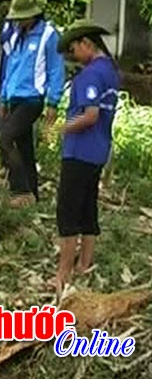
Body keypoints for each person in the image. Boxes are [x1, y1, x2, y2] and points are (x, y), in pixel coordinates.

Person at [53, 20, 119, 295]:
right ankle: (84, 263)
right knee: (87, 208)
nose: (72, 56)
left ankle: (63, 274)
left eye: (73, 49)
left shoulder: (90, 76)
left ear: (86, 44)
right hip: (98, 151)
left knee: (68, 210)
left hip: (80, 151)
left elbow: (90, 115)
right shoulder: (111, 72)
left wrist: (60, 128)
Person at [0, 0, 65, 208]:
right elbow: (11, 68)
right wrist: (4, 97)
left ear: (32, 15)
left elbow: (56, 69)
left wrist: (53, 102)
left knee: (6, 138)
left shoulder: (48, 34)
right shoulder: (17, 35)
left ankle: (20, 189)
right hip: (15, 97)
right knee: (24, 146)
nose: (18, 22)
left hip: (33, 99)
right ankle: (33, 193)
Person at [0, 0, 23, 137]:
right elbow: (3, 48)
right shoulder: (7, 22)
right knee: (0, 128)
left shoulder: (24, 24)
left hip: (17, 83)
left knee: (16, 130)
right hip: (3, 80)